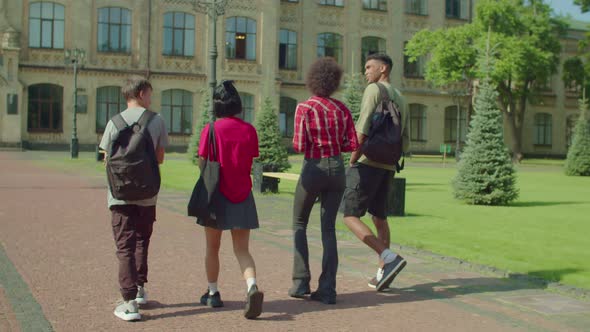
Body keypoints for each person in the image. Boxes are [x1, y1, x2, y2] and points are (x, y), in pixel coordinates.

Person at [289, 57, 359, 304]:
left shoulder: (305, 108)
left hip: (313, 167)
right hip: (337, 169)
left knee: (299, 223)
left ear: (312, 80)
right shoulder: (342, 109)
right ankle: (328, 288)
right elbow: (352, 144)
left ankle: (300, 282)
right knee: (328, 229)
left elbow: (298, 145)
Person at [99, 75, 169, 321]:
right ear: (141, 93)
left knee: (124, 246)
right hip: (147, 194)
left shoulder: (114, 122)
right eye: (150, 93)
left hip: (118, 195)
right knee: (142, 240)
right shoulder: (157, 121)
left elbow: (106, 158)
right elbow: (159, 158)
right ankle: (138, 289)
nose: (152, 98)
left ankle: (128, 302)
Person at [339, 53, 410, 292]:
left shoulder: (374, 90)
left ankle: (388, 256)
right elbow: (404, 137)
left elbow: (363, 126)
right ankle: (383, 273)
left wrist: (352, 158)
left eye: (369, 67)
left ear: (384, 68)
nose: (365, 72)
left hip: (368, 162)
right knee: (380, 218)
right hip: (389, 165)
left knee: (349, 215)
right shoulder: (402, 97)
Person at [196, 80, 264, 319]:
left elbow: (202, 161)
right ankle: (251, 286)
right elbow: (250, 159)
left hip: (216, 196)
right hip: (243, 194)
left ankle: (213, 293)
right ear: (237, 104)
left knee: (212, 248)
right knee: (242, 249)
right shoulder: (249, 130)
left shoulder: (211, 129)